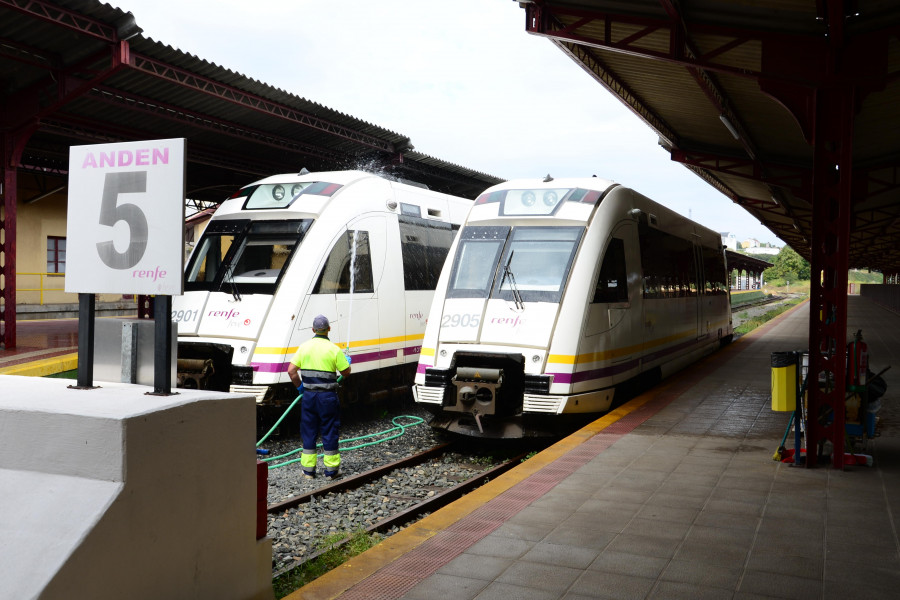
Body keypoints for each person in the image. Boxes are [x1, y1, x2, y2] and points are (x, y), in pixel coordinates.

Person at [287, 315, 351, 480]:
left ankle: (308, 471)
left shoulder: (304, 347)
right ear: (329, 329)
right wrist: (347, 362)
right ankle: (331, 471)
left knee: (309, 432)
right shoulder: (334, 349)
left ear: (313, 330)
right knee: (329, 431)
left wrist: (301, 388)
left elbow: (291, 371)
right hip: (328, 397)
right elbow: (346, 372)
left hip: (309, 397)